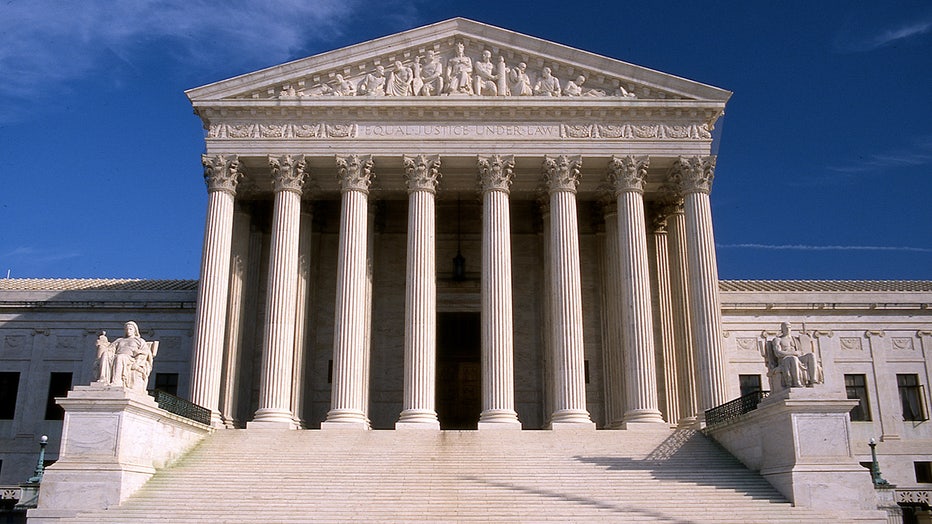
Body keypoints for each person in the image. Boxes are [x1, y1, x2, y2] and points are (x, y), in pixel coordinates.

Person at [769, 321, 823, 389]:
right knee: (794, 359)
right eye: (786, 328)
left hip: (797, 357)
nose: (788, 329)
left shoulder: (795, 339)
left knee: (811, 355)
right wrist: (794, 353)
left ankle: (813, 380)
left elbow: (801, 351)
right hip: (784, 359)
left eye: (789, 328)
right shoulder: (778, 340)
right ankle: (796, 382)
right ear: (782, 329)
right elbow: (778, 353)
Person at [108, 321, 151, 389]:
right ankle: (103, 379)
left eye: (130, 329)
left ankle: (117, 381)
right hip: (116, 356)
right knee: (106, 355)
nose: (128, 331)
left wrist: (138, 357)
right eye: (127, 329)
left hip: (131, 359)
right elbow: (110, 349)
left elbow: (146, 352)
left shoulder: (140, 340)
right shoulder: (119, 340)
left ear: (135, 330)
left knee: (120, 357)